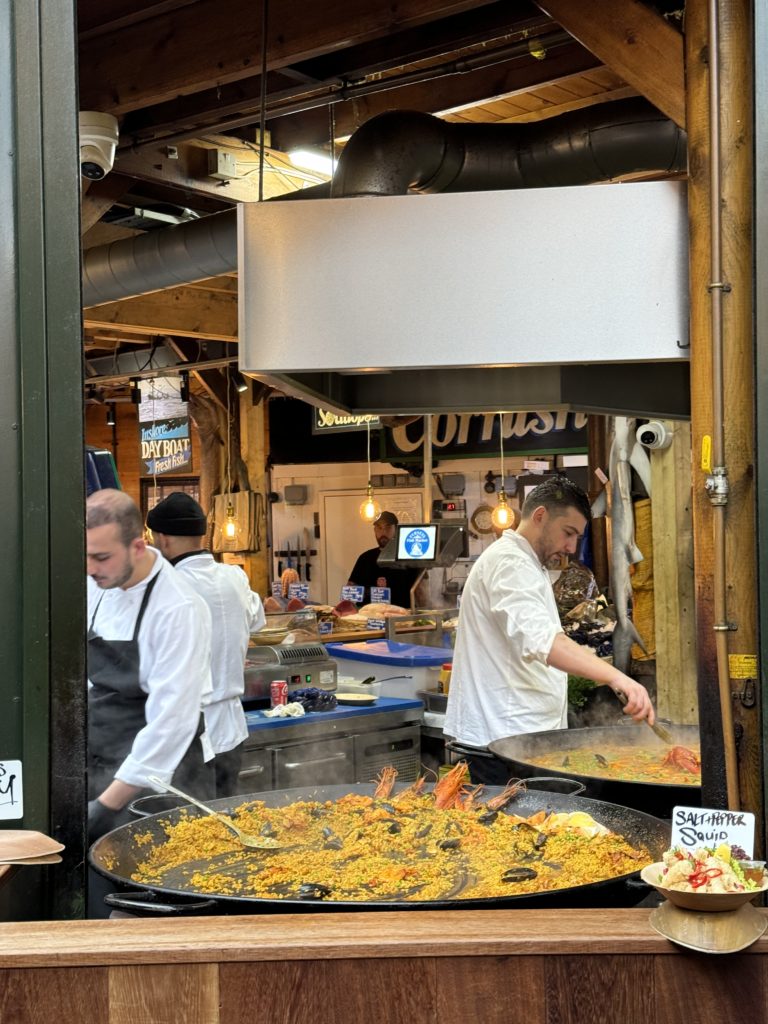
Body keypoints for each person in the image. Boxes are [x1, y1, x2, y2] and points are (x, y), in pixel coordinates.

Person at [444, 477, 655, 785]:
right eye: (568, 533)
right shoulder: (511, 564)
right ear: (540, 516)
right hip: (503, 743)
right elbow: (547, 643)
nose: (571, 547)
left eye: (577, 537)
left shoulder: (528, 563)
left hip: (521, 736)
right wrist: (617, 678)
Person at [86, 489, 215, 846]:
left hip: (163, 777)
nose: (91, 568)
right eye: (87, 556)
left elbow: (171, 720)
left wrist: (106, 804)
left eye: (102, 557)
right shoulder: (97, 584)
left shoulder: (179, 607)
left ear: (138, 547)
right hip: (103, 760)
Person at [146, 492, 266, 797]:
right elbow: (257, 621)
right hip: (232, 728)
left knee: (188, 821)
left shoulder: (165, 586)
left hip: (188, 734)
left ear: (162, 539)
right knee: (226, 816)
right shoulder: (235, 577)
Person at [347, 510, 424, 609]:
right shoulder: (365, 558)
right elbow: (349, 593)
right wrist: (374, 591)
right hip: (368, 615)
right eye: (379, 528)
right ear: (374, 530)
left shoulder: (409, 558)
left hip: (402, 615)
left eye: (388, 527)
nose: (383, 532)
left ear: (396, 529)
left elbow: (421, 593)